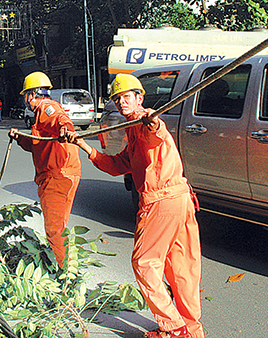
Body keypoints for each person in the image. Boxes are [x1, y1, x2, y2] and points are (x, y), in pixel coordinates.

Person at [64, 73, 204, 338]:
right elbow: (119, 165)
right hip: (180, 199)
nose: (121, 102)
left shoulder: (143, 122)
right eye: (117, 98)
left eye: (126, 96)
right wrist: (82, 143)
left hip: (162, 200)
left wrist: (150, 121)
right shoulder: (132, 127)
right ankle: (192, 330)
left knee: (144, 263)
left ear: (139, 97)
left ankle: (175, 329)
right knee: (181, 268)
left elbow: (156, 134)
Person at [8, 72, 81, 269]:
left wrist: (65, 127)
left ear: (31, 95)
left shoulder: (45, 107)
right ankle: (68, 265)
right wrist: (19, 137)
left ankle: (63, 274)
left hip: (56, 174)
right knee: (60, 227)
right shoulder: (40, 117)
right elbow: (37, 144)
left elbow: (59, 117)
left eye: (26, 95)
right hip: (67, 171)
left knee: (54, 229)